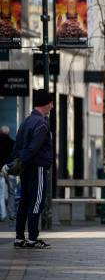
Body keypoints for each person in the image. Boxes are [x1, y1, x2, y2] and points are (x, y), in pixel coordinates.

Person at [11, 89, 54, 249]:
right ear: (45, 104)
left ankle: (19, 237)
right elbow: (34, 147)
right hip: (38, 167)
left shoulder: (26, 121)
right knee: (37, 202)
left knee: (24, 202)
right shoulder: (42, 124)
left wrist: (17, 162)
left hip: (25, 169)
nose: (52, 106)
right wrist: (24, 158)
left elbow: (17, 145)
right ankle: (33, 238)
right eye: (50, 103)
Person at [0, 125, 15, 221]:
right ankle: (12, 214)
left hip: (0, 171)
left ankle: (3, 215)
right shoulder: (13, 143)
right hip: (11, 171)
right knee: (12, 193)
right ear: (9, 133)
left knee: (0, 194)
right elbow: (15, 158)